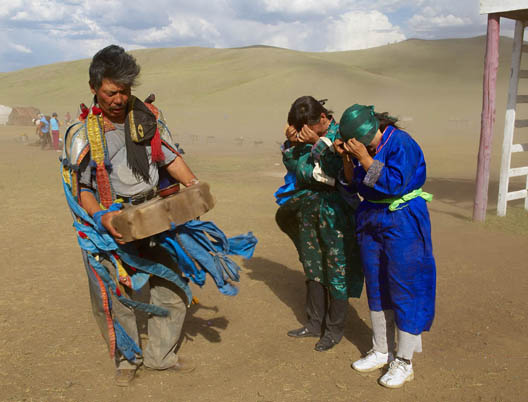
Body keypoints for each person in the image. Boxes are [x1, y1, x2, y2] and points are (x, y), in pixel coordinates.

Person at [61, 45, 257, 387]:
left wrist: (193, 185)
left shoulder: (147, 117)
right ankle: (127, 359)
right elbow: (83, 189)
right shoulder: (81, 134)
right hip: (108, 224)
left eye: (125, 91)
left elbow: (168, 157)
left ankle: (161, 356)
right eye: (111, 92)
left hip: (156, 216)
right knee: (117, 298)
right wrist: (103, 219)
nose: (119, 99)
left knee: (171, 287)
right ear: (94, 88)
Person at [334, 104, 436, 389]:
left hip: (402, 219)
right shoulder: (360, 150)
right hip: (371, 219)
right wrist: (347, 160)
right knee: (376, 285)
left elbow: (393, 184)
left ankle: (404, 361)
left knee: (404, 286)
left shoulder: (401, 144)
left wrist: (365, 158)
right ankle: (381, 350)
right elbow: (352, 186)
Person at [275, 96, 364, 352]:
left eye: (307, 128)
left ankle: (334, 330)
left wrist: (319, 145)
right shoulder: (307, 136)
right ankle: (314, 323)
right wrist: (293, 145)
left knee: (337, 267)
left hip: (336, 212)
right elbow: (298, 170)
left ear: (323, 119)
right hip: (310, 208)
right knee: (312, 264)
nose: (303, 133)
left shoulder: (343, 135)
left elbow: (343, 174)